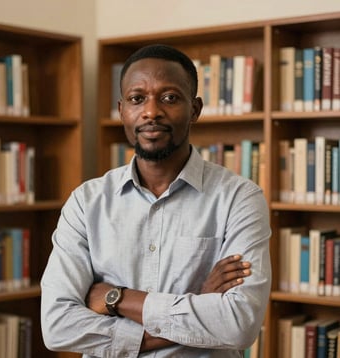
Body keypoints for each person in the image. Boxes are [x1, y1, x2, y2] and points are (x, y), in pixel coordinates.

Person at [41, 44, 271, 358]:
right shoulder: (86, 202)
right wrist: (198, 305)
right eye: (138, 99)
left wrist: (116, 298)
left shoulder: (239, 198)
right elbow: (57, 326)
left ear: (195, 109)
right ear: (122, 110)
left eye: (170, 98)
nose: (151, 111)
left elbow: (239, 324)